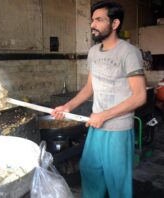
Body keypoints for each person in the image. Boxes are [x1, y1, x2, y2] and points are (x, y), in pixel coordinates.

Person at [51, 1, 146, 198]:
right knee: (90, 172)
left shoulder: (128, 52)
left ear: (115, 23)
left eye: (99, 20)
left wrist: (104, 115)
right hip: (96, 127)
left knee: (117, 183)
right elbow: (89, 88)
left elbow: (140, 96)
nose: (93, 24)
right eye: (92, 20)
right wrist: (68, 106)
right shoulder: (93, 53)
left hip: (118, 129)